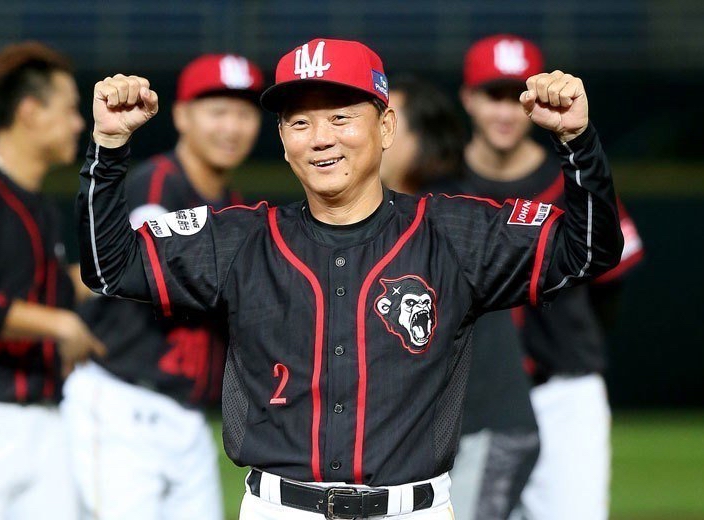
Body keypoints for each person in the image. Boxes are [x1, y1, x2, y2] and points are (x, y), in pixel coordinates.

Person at [76, 38, 623, 519]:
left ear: (385, 127)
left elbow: (589, 250)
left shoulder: (452, 233)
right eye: (299, 122)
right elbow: (109, 266)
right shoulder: (241, 239)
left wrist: (577, 142)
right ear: (282, 139)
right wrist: (109, 148)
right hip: (279, 508)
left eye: (340, 117)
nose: (320, 138)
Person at [61, 52, 264, 520]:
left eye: (244, 113)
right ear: (182, 116)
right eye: (218, 111)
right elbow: (126, 274)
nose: (232, 127)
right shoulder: (156, 186)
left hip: (186, 416)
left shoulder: (232, 208)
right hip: (123, 402)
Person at [455, 34, 645, 520]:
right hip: (474, 398)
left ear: (533, 101)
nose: (504, 111)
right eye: (492, 95)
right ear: (468, 98)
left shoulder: (573, 180)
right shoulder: (443, 190)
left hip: (562, 393)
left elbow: (610, 284)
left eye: (513, 96)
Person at [380, 76, 540, 520]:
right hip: (454, 435)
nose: (374, 135)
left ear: (422, 138)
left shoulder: (448, 213)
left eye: (388, 122)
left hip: (485, 427)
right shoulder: (399, 215)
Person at [0, 41, 104, 519]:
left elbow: (51, 287)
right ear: (29, 111)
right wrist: (59, 325)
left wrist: (135, 267)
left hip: (44, 423)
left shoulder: (38, 205)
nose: (78, 123)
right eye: (68, 109)